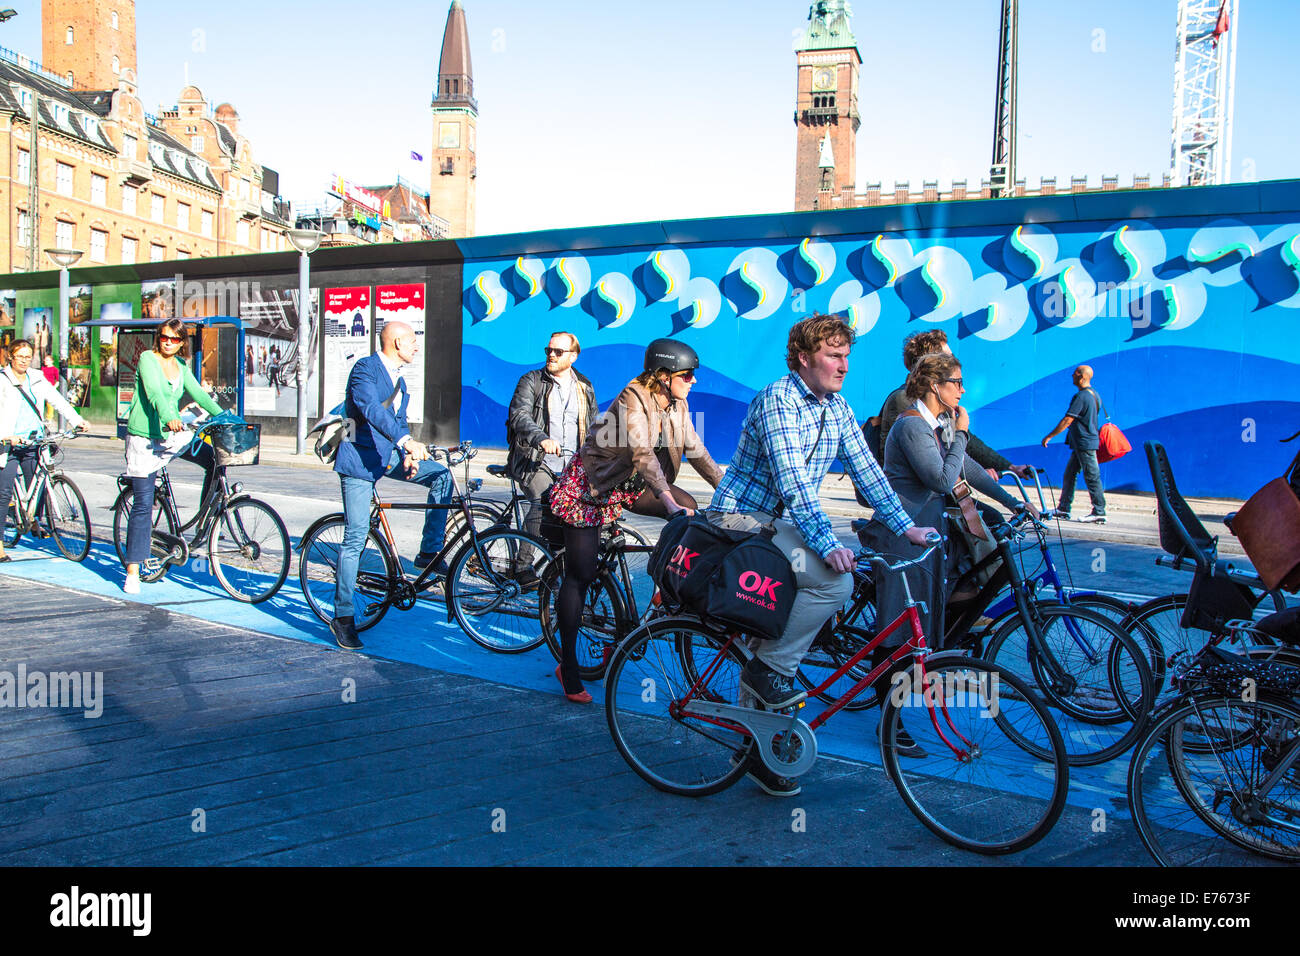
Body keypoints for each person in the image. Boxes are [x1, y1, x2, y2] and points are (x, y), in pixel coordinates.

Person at [706, 314, 937, 796]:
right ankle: (770, 670)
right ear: (804, 358)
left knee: (775, 633)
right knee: (835, 582)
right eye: (834, 355)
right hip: (740, 521)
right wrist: (827, 543)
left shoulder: (837, 407)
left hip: (780, 525)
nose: (844, 364)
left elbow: (868, 471)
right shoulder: (779, 400)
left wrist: (906, 526)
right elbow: (792, 482)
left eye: (847, 355)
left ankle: (759, 746)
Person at [548, 337, 723, 703]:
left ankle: (664, 588)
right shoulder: (632, 398)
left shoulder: (678, 402)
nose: (694, 381)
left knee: (692, 512)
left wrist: (729, 490)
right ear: (662, 375)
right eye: (687, 375)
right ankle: (569, 665)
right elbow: (643, 453)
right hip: (591, 488)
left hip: (626, 486)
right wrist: (665, 498)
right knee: (580, 574)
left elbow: (696, 448)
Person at [331, 320, 453, 651]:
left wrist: (407, 453)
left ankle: (428, 550)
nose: (417, 346)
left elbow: (397, 421)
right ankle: (342, 617)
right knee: (356, 536)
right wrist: (405, 440)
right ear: (397, 343)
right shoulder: (365, 370)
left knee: (442, 476)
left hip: (387, 458)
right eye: (413, 341)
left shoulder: (400, 379)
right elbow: (371, 410)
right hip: (358, 462)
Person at [121, 320, 223, 593]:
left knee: (214, 459)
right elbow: (154, 392)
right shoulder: (147, 359)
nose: (168, 342)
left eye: (174, 339)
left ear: (181, 343)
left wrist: (225, 416)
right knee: (143, 503)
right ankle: (132, 570)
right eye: (164, 337)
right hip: (145, 437)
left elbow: (199, 394)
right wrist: (169, 417)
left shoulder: (181, 367)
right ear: (159, 338)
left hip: (171, 435)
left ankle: (205, 521)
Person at [871, 328, 1029, 481]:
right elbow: (921, 460)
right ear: (930, 364)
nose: (954, 362)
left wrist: (1009, 467)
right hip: (917, 496)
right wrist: (970, 476)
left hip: (943, 488)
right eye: (948, 358)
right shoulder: (903, 400)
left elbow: (965, 443)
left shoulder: (939, 402)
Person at [505, 331, 597, 579]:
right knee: (544, 501)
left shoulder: (584, 386)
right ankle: (522, 568)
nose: (552, 356)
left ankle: (558, 569)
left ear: (574, 356)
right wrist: (541, 438)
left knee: (575, 512)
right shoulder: (532, 380)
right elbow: (519, 416)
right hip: (534, 461)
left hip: (571, 465)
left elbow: (592, 427)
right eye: (549, 351)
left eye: (558, 352)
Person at [0, 338, 88, 562]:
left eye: (27, 356)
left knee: (38, 486)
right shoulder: (2, 379)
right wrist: (5, 436)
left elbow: (58, 401)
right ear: (10, 356)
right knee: (3, 493)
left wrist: (77, 421)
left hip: (34, 440)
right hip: (8, 444)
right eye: (19, 356)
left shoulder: (37, 378)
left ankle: (34, 520)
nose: (23, 360)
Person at [1040, 364, 1106, 523]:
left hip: (1085, 443)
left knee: (1092, 476)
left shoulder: (1082, 396)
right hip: (1081, 444)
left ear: (1082, 376)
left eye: (1075, 373)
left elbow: (1068, 419)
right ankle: (1063, 508)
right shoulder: (1094, 394)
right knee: (1070, 474)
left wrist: (1049, 436)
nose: (1072, 375)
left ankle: (1099, 511)